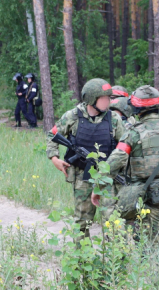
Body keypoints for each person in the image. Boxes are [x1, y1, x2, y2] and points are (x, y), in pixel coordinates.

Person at [97, 85, 159, 244]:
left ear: (136, 108)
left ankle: (153, 266)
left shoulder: (133, 133)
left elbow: (113, 163)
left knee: (150, 243)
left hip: (149, 196)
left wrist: (97, 186)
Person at [46, 78, 128, 235]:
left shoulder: (114, 119)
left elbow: (125, 147)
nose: (108, 102)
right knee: (82, 221)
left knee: (112, 221)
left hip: (107, 178)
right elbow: (52, 135)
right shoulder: (72, 116)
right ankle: (82, 258)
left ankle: (114, 258)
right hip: (82, 177)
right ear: (91, 99)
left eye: (109, 98)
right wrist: (54, 158)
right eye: (104, 98)